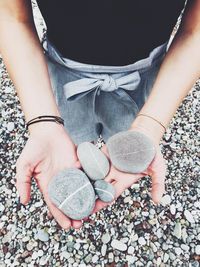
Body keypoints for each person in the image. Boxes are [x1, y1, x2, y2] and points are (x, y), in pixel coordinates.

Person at [0, 0, 199, 231]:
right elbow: (11, 14)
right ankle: (82, 150)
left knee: (125, 140)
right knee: (74, 137)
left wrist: (150, 124)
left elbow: (196, 30)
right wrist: (43, 123)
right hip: (63, 76)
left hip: (148, 79)